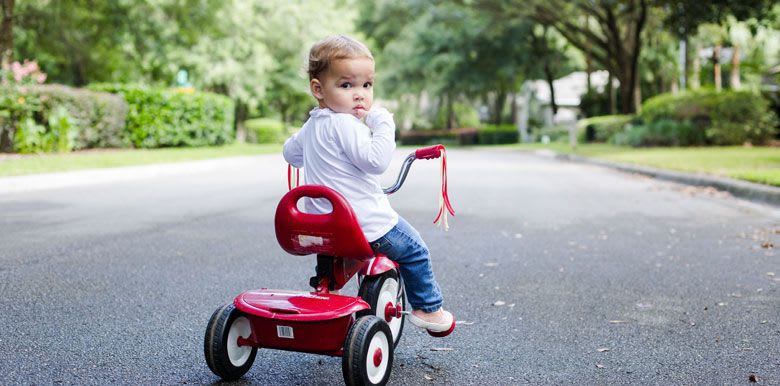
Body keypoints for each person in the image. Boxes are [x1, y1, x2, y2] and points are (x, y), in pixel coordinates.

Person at [282, 35, 454, 333]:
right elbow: (375, 161)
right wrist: (383, 124)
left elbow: (290, 154)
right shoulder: (347, 124)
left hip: (320, 223)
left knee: (335, 244)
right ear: (318, 89)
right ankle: (428, 309)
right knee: (414, 250)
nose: (360, 94)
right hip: (363, 222)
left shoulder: (312, 124)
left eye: (367, 85)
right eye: (347, 85)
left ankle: (327, 290)